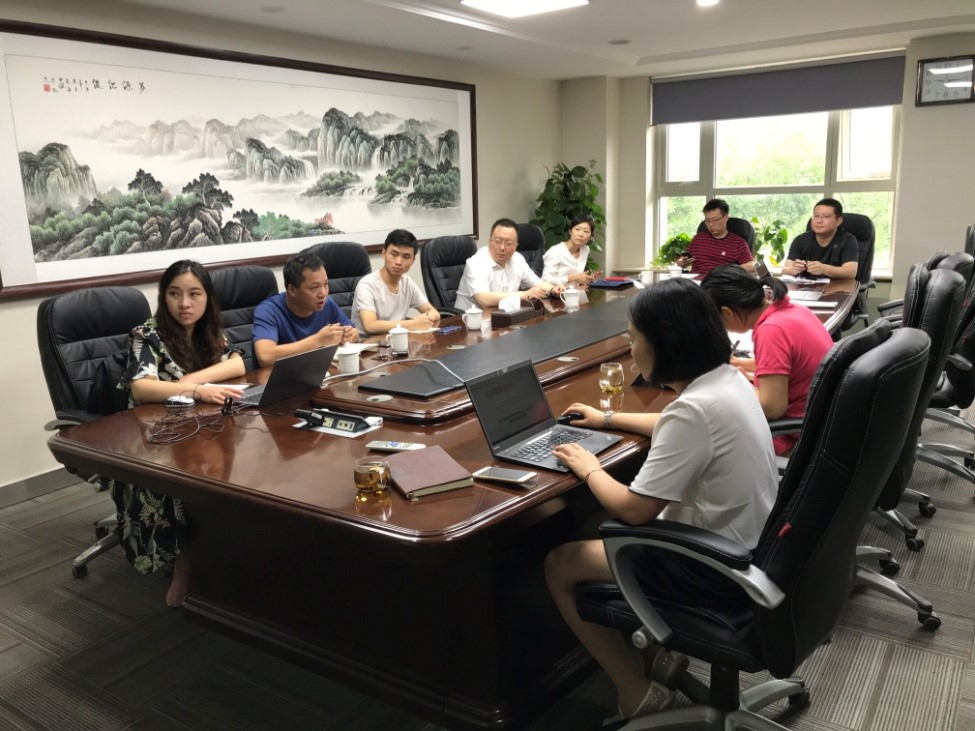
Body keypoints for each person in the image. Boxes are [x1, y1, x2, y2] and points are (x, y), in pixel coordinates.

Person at [544, 278, 778, 722]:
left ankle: (634, 689)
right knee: (594, 520)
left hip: (712, 567)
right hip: (753, 546)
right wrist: (607, 418)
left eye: (633, 338)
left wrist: (589, 468)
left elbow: (635, 510)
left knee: (560, 563)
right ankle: (658, 658)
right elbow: (678, 426)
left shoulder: (694, 410)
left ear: (664, 345)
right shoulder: (725, 380)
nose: (630, 349)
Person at [115, 260, 246, 607]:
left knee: (233, 466)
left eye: (194, 294)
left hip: (201, 425)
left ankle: (231, 548)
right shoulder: (147, 334)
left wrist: (189, 381)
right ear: (164, 297)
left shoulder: (209, 331)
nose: (184, 304)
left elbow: (237, 363)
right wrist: (198, 389)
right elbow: (142, 388)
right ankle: (184, 561)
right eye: (174, 294)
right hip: (155, 436)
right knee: (184, 480)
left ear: (207, 298)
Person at [701, 264, 834, 455]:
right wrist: (742, 364)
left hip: (797, 433)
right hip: (822, 418)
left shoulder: (771, 331)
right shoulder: (792, 310)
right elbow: (786, 363)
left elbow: (772, 408)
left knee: (710, 439)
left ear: (728, 313)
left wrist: (738, 381)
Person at [253, 251, 358, 366]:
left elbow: (354, 332)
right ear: (292, 290)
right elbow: (265, 356)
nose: (323, 293)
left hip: (319, 370)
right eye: (314, 287)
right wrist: (318, 341)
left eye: (326, 284)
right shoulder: (268, 310)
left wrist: (348, 335)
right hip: (285, 375)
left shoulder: (327, 304)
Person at [455, 217, 564, 309]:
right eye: (498, 241)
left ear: (516, 246)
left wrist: (552, 290)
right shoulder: (476, 263)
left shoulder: (517, 259)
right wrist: (524, 295)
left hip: (504, 315)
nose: (502, 248)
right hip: (469, 320)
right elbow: (484, 299)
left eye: (508, 243)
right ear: (489, 241)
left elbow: (537, 283)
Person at [351, 229, 441, 334]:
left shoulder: (407, 283)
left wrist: (425, 319)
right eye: (394, 254)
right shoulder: (367, 285)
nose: (398, 262)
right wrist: (414, 323)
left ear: (413, 261)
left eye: (406, 257)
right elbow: (370, 326)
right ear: (384, 253)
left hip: (397, 340)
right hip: (369, 342)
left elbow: (434, 313)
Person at [781, 198, 858, 280]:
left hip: (838, 286)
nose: (819, 221)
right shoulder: (800, 240)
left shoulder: (848, 240)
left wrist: (823, 269)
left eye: (826, 217)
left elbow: (851, 272)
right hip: (807, 286)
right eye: (816, 216)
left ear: (838, 221)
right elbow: (786, 269)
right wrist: (793, 269)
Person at [677, 198, 755, 276]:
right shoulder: (698, 239)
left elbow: (752, 265)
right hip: (695, 281)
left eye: (715, 220)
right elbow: (682, 260)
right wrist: (681, 262)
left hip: (720, 281)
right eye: (707, 220)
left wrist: (731, 269)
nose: (710, 224)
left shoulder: (737, 243)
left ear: (725, 218)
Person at [542, 213, 600, 287]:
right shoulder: (556, 251)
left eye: (586, 231)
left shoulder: (585, 250)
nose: (581, 234)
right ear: (570, 231)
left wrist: (587, 279)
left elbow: (576, 279)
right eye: (577, 229)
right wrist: (572, 278)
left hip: (575, 291)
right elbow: (544, 279)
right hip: (556, 292)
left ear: (590, 236)